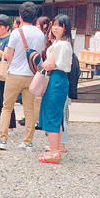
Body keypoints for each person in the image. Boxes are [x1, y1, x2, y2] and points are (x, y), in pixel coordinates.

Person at [0, 1, 45, 151]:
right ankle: (28, 142)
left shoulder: (17, 32)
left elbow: (9, 53)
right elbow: (40, 54)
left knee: (7, 107)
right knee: (29, 110)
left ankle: (3, 140)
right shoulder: (40, 33)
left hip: (15, 74)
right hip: (31, 75)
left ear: (20, 16)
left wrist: (13, 65)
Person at [38, 15, 73, 164]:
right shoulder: (65, 43)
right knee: (57, 116)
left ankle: (53, 153)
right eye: (54, 25)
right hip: (61, 79)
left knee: (51, 114)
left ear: (65, 28)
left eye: (59, 25)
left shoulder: (60, 45)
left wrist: (45, 62)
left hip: (55, 78)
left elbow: (49, 65)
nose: (55, 28)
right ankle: (56, 148)